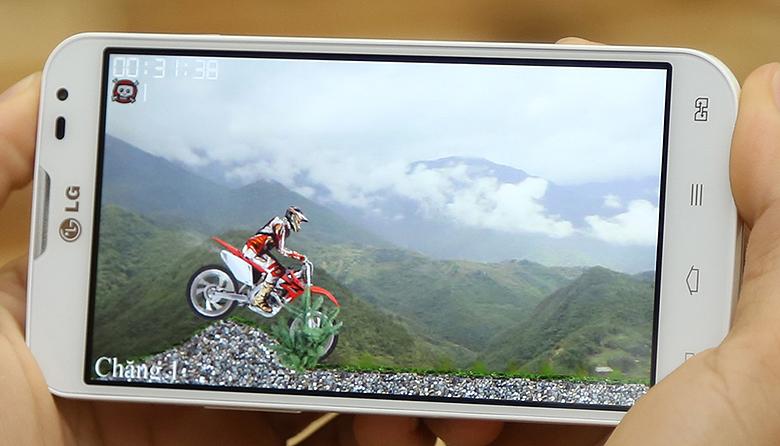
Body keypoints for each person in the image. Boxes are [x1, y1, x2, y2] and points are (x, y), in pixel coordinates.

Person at [3, 37, 780, 445]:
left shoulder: (290, 242)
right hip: (238, 269)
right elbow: (271, 239)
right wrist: (281, 249)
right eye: (293, 225)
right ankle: (244, 301)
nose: (295, 229)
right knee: (259, 287)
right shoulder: (268, 233)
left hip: (253, 281)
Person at [242, 206, 309, 313]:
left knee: (282, 270)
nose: (299, 223)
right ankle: (259, 300)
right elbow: (281, 249)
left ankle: (272, 292)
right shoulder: (280, 226)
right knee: (275, 271)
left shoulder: (284, 228)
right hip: (253, 251)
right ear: (293, 217)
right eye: (299, 220)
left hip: (260, 251)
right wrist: (298, 256)